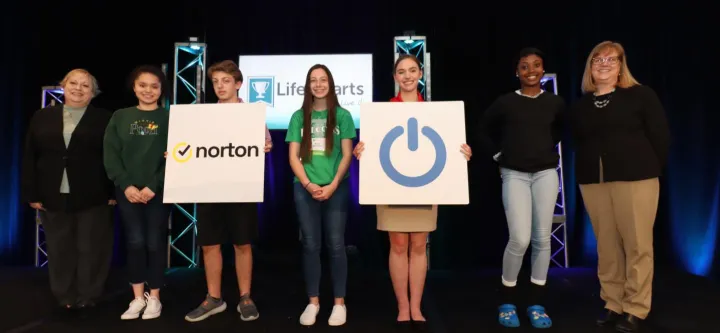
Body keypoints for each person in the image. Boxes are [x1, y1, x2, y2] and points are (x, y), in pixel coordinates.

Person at [352, 54, 472, 331]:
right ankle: (402, 306)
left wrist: (461, 152)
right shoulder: (382, 113)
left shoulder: (437, 114)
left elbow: (447, 146)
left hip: (424, 185)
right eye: (401, 72)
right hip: (391, 185)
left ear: (420, 74)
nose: (407, 76)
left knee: (419, 246)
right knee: (397, 245)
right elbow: (373, 146)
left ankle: (416, 305)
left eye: (412, 70)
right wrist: (362, 150)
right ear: (395, 77)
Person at [571, 41, 670, 333]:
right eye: (597, 59)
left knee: (638, 245)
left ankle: (636, 308)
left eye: (611, 59)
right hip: (593, 181)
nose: (604, 63)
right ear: (589, 67)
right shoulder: (580, 106)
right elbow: (579, 143)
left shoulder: (640, 96)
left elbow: (660, 137)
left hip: (637, 178)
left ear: (621, 65)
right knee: (607, 246)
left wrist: (648, 169)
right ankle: (613, 303)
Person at [477, 48, 566, 329]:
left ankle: (537, 303)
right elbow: (482, 128)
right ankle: (507, 301)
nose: (531, 70)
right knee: (519, 238)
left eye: (537, 65)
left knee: (542, 239)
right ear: (517, 72)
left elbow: (561, 130)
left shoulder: (555, 103)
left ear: (543, 70)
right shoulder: (505, 103)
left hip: (545, 174)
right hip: (514, 174)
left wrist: (542, 150)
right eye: (525, 66)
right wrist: (497, 154)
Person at [20, 68, 115, 313]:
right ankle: (64, 295)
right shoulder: (42, 116)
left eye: (85, 86)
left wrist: (113, 191)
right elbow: (30, 155)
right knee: (60, 247)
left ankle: (89, 294)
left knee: (91, 247)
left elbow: (113, 157)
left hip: (94, 194)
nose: (78, 89)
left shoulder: (105, 118)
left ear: (93, 93)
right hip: (51, 193)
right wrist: (32, 193)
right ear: (63, 86)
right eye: (73, 83)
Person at [184, 60, 272, 322]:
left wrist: (265, 146)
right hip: (210, 187)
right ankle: (214, 298)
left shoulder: (252, 114)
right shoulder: (204, 115)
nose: (220, 86)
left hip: (241, 187)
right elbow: (190, 147)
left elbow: (266, 142)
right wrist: (176, 154)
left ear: (238, 84)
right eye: (215, 82)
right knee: (210, 243)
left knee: (242, 243)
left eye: (225, 81)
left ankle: (245, 297)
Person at [286, 64, 355, 327]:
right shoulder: (297, 117)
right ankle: (313, 302)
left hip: (336, 187)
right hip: (305, 189)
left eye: (323, 80)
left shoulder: (343, 115)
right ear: (308, 85)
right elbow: (293, 156)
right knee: (310, 245)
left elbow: (347, 154)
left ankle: (339, 303)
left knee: (336, 245)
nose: (318, 84)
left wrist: (334, 184)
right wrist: (307, 184)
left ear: (330, 83)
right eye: (313, 80)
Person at [104, 65, 171, 320]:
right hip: (127, 191)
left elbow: (176, 155)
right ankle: (136, 298)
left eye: (154, 86)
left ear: (161, 89)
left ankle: (154, 298)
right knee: (134, 242)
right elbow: (110, 154)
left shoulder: (169, 118)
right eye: (143, 85)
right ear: (134, 87)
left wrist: (154, 185)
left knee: (154, 243)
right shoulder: (120, 117)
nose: (148, 90)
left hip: (159, 191)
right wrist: (127, 185)